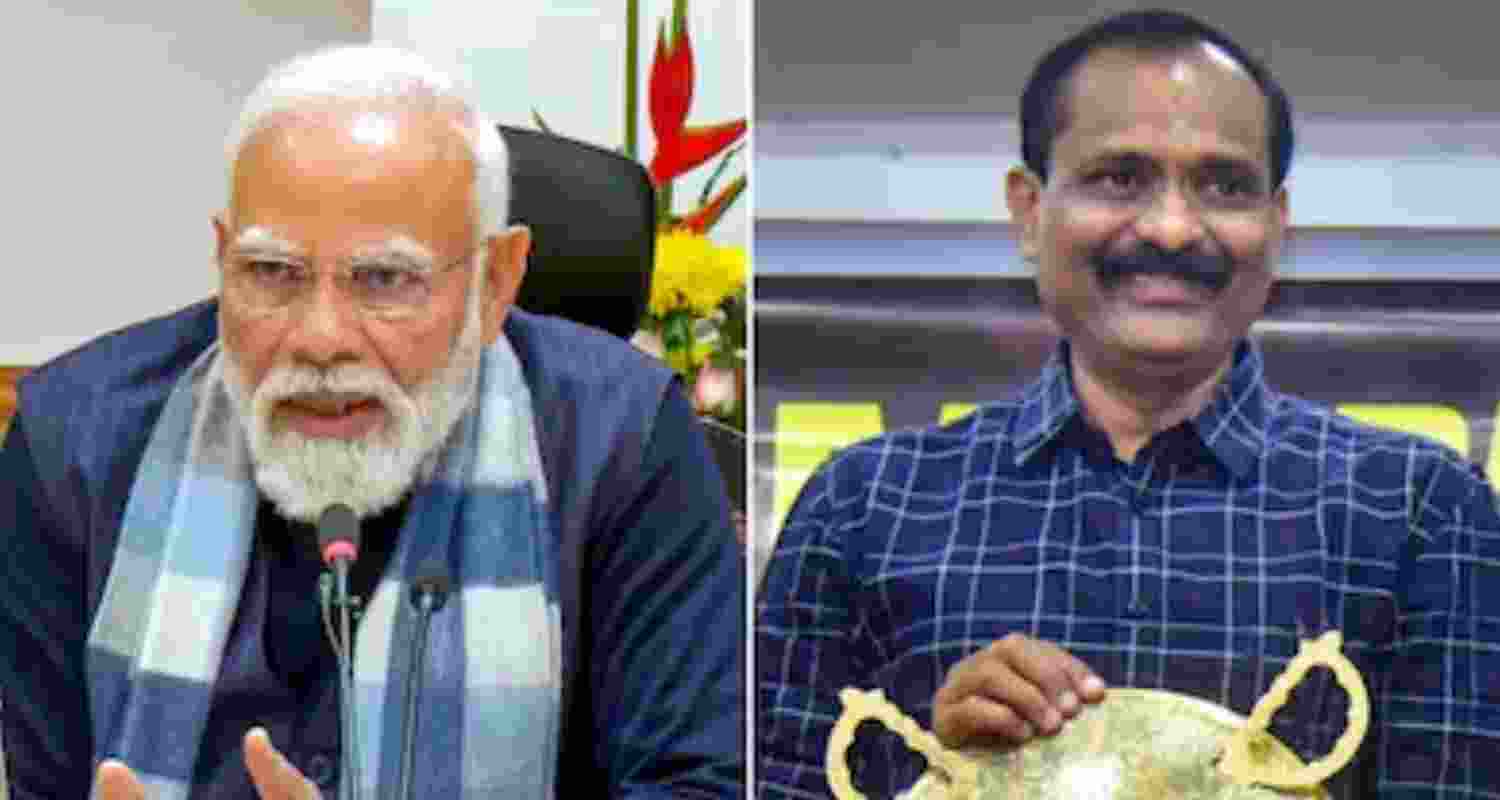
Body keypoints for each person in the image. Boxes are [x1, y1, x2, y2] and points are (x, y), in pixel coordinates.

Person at [756, 9, 1500, 798]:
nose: (1173, 228)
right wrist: (940, 777)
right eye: (1120, 177)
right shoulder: (863, 507)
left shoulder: (1421, 511)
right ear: (1028, 212)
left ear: (1276, 225)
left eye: (1225, 185)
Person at [0, 45, 744, 799]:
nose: (321, 338)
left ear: (495, 283)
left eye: (385, 279)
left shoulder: (622, 441)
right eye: (271, 272)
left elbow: (691, 785)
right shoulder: (74, 443)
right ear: (223, 259)